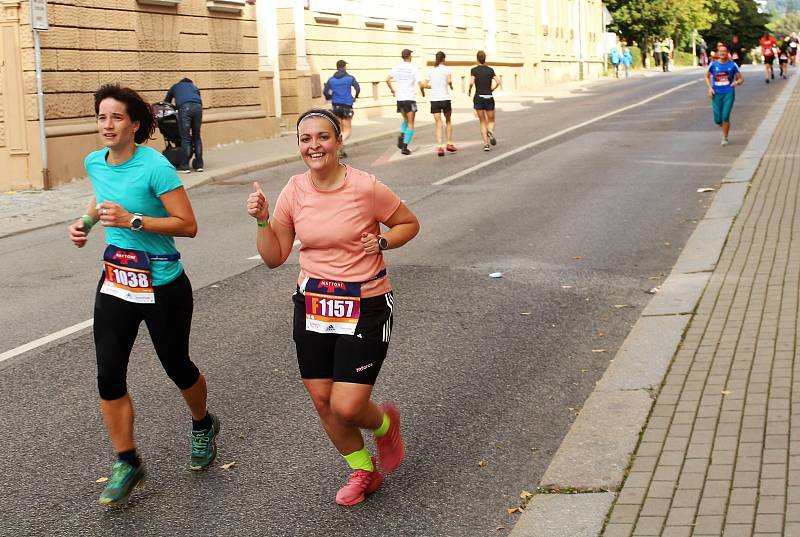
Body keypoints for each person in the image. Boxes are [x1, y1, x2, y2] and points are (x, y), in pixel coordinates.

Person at [245, 108, 419, 506]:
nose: (314, 146)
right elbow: (274, 257)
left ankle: (385, 423)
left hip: (366, 305)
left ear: (339, 141)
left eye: (322, 137)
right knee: (324, 401)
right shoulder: (294, 190)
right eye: (306, 139)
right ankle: (363, 470)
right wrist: (261, 221)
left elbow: (409, 223)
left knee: (347, 405)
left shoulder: (365, 187)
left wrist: (383, 243)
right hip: (314, 305)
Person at [68, 84, 219, 505]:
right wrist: (84, 222)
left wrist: (135, 221)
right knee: (108, 373)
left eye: (117, 117)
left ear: (134, 124)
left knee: (176, 365)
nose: (108, 124)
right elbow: (102, 201)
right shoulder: (94, 162)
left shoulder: (155, 167)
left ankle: (203, 423)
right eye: (102, 117)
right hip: (117, 280)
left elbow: (187, 225)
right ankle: (127, 460)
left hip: (163, 282)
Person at [386, 49, 424, 155]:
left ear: (402, 56)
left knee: (406, 120)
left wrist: (392, 90)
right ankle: (404, 147)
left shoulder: (397, 67)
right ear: (410, 56)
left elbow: (387, 79)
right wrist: (423, 92)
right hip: (410, 98)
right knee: (411, 123)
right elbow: (420, 84)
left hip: (400, 99)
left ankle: (402, 134)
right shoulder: (413, 67)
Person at [705, 43, 743, 146]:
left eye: (724, 51)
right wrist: (710, 88)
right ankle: (725, 126)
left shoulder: (732, 65)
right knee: (718, 120)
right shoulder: (713, 65)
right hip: (716, 93)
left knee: (725, 116)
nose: (722, 53)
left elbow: (741, 78)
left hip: (728, 92)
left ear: (727, 53)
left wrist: (736, 82)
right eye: (720, 51)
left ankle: (725, 137)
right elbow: (707, 76)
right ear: (718, 53)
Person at [324, 59, 361, 158]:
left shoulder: (331, 80)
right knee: (347, 131)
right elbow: (357, 88)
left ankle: (341, 151)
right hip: (347, 106)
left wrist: (329, 97)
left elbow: (325, 92)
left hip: (335, 107)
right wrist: (355, 97)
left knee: (339, 130)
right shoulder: (350, 78)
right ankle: (337, 145)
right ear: (344, 67)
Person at [165, 78, 203, 172]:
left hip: (185, 108)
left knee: (185, 138)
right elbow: (198, 99)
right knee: (196, 137)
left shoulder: (175, 86)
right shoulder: (194, 87)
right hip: (198, 108)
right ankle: (199, 165)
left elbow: (166, 102)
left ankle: (185, 165)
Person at [424, 51, 458, 157]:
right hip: (445, 99)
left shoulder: (430, 70)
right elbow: (449, 82)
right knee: (448, 121)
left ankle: (439, 147)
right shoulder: (447, 69)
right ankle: (449, 143)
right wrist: (451, 86)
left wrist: (432, 86)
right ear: (444, 59)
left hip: (435, 100)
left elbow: (425, 84)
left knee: (438, 123)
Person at [468, 50, 502, 152]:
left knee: (482, 121)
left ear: (477, 59)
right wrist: (493, 89)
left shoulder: (473, 70)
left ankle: (486, 144)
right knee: (491, 120)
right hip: (489, 97)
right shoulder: (490, 70)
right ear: (485, 59)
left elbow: (471, 82)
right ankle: (490, 131)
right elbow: (498, 81)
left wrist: (469, 90)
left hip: (478, 97)